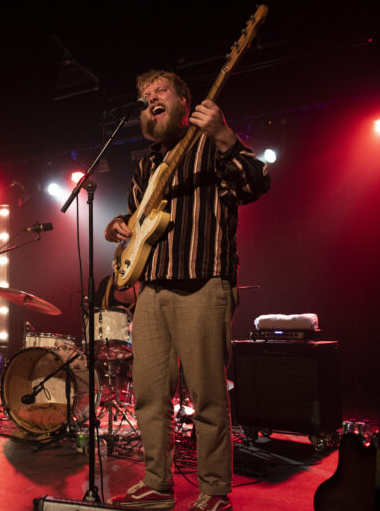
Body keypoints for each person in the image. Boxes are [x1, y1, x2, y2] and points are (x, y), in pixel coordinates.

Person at [104, 70, 271, 510]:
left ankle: (215, 491)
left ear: (184, 102)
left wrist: (223, 134)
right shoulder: (145, 165)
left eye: (160, 91)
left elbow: (257, 182)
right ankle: (157, 484)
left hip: (203, 281)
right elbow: (137, 224)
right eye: (143, 95)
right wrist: (119, 226)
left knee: (207, 397)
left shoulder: (209, 144)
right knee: (149, 396)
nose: (149, 99)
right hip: (153, 289)